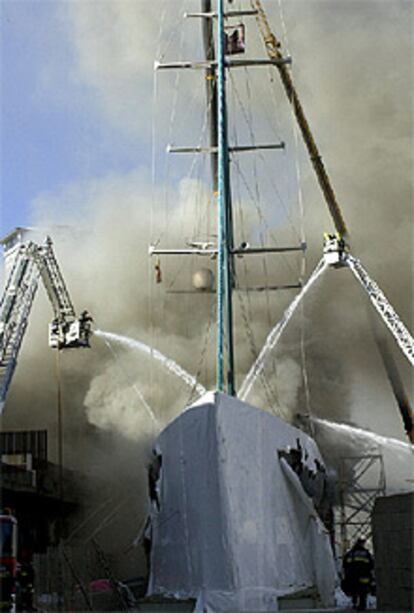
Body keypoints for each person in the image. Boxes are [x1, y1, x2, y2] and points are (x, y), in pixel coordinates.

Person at [342, 537, 374, 611]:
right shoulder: (366, 553)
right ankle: (362, 605)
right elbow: (371, 564)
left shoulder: (350, 553)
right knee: (363, 591)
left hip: (352, 576)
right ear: (362, 544)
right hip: (363, 575)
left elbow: (345, 564)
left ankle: (354, 602)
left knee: (354, 589)